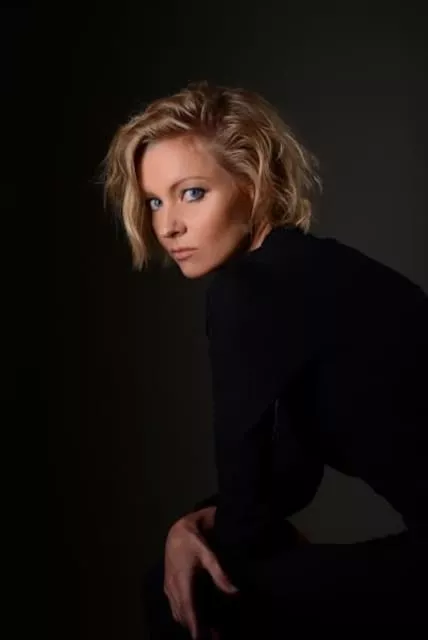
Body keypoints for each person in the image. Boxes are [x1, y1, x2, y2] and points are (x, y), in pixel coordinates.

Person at [102, 81, 428, 638]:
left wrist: (198, 537)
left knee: (186, 589)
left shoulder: (247, 293)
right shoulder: (313, 271)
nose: (168, 225)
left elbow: (248, 516)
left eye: (192, 193)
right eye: (155, 201)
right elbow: (292, 476)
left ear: (252, 185)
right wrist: (196, 523)